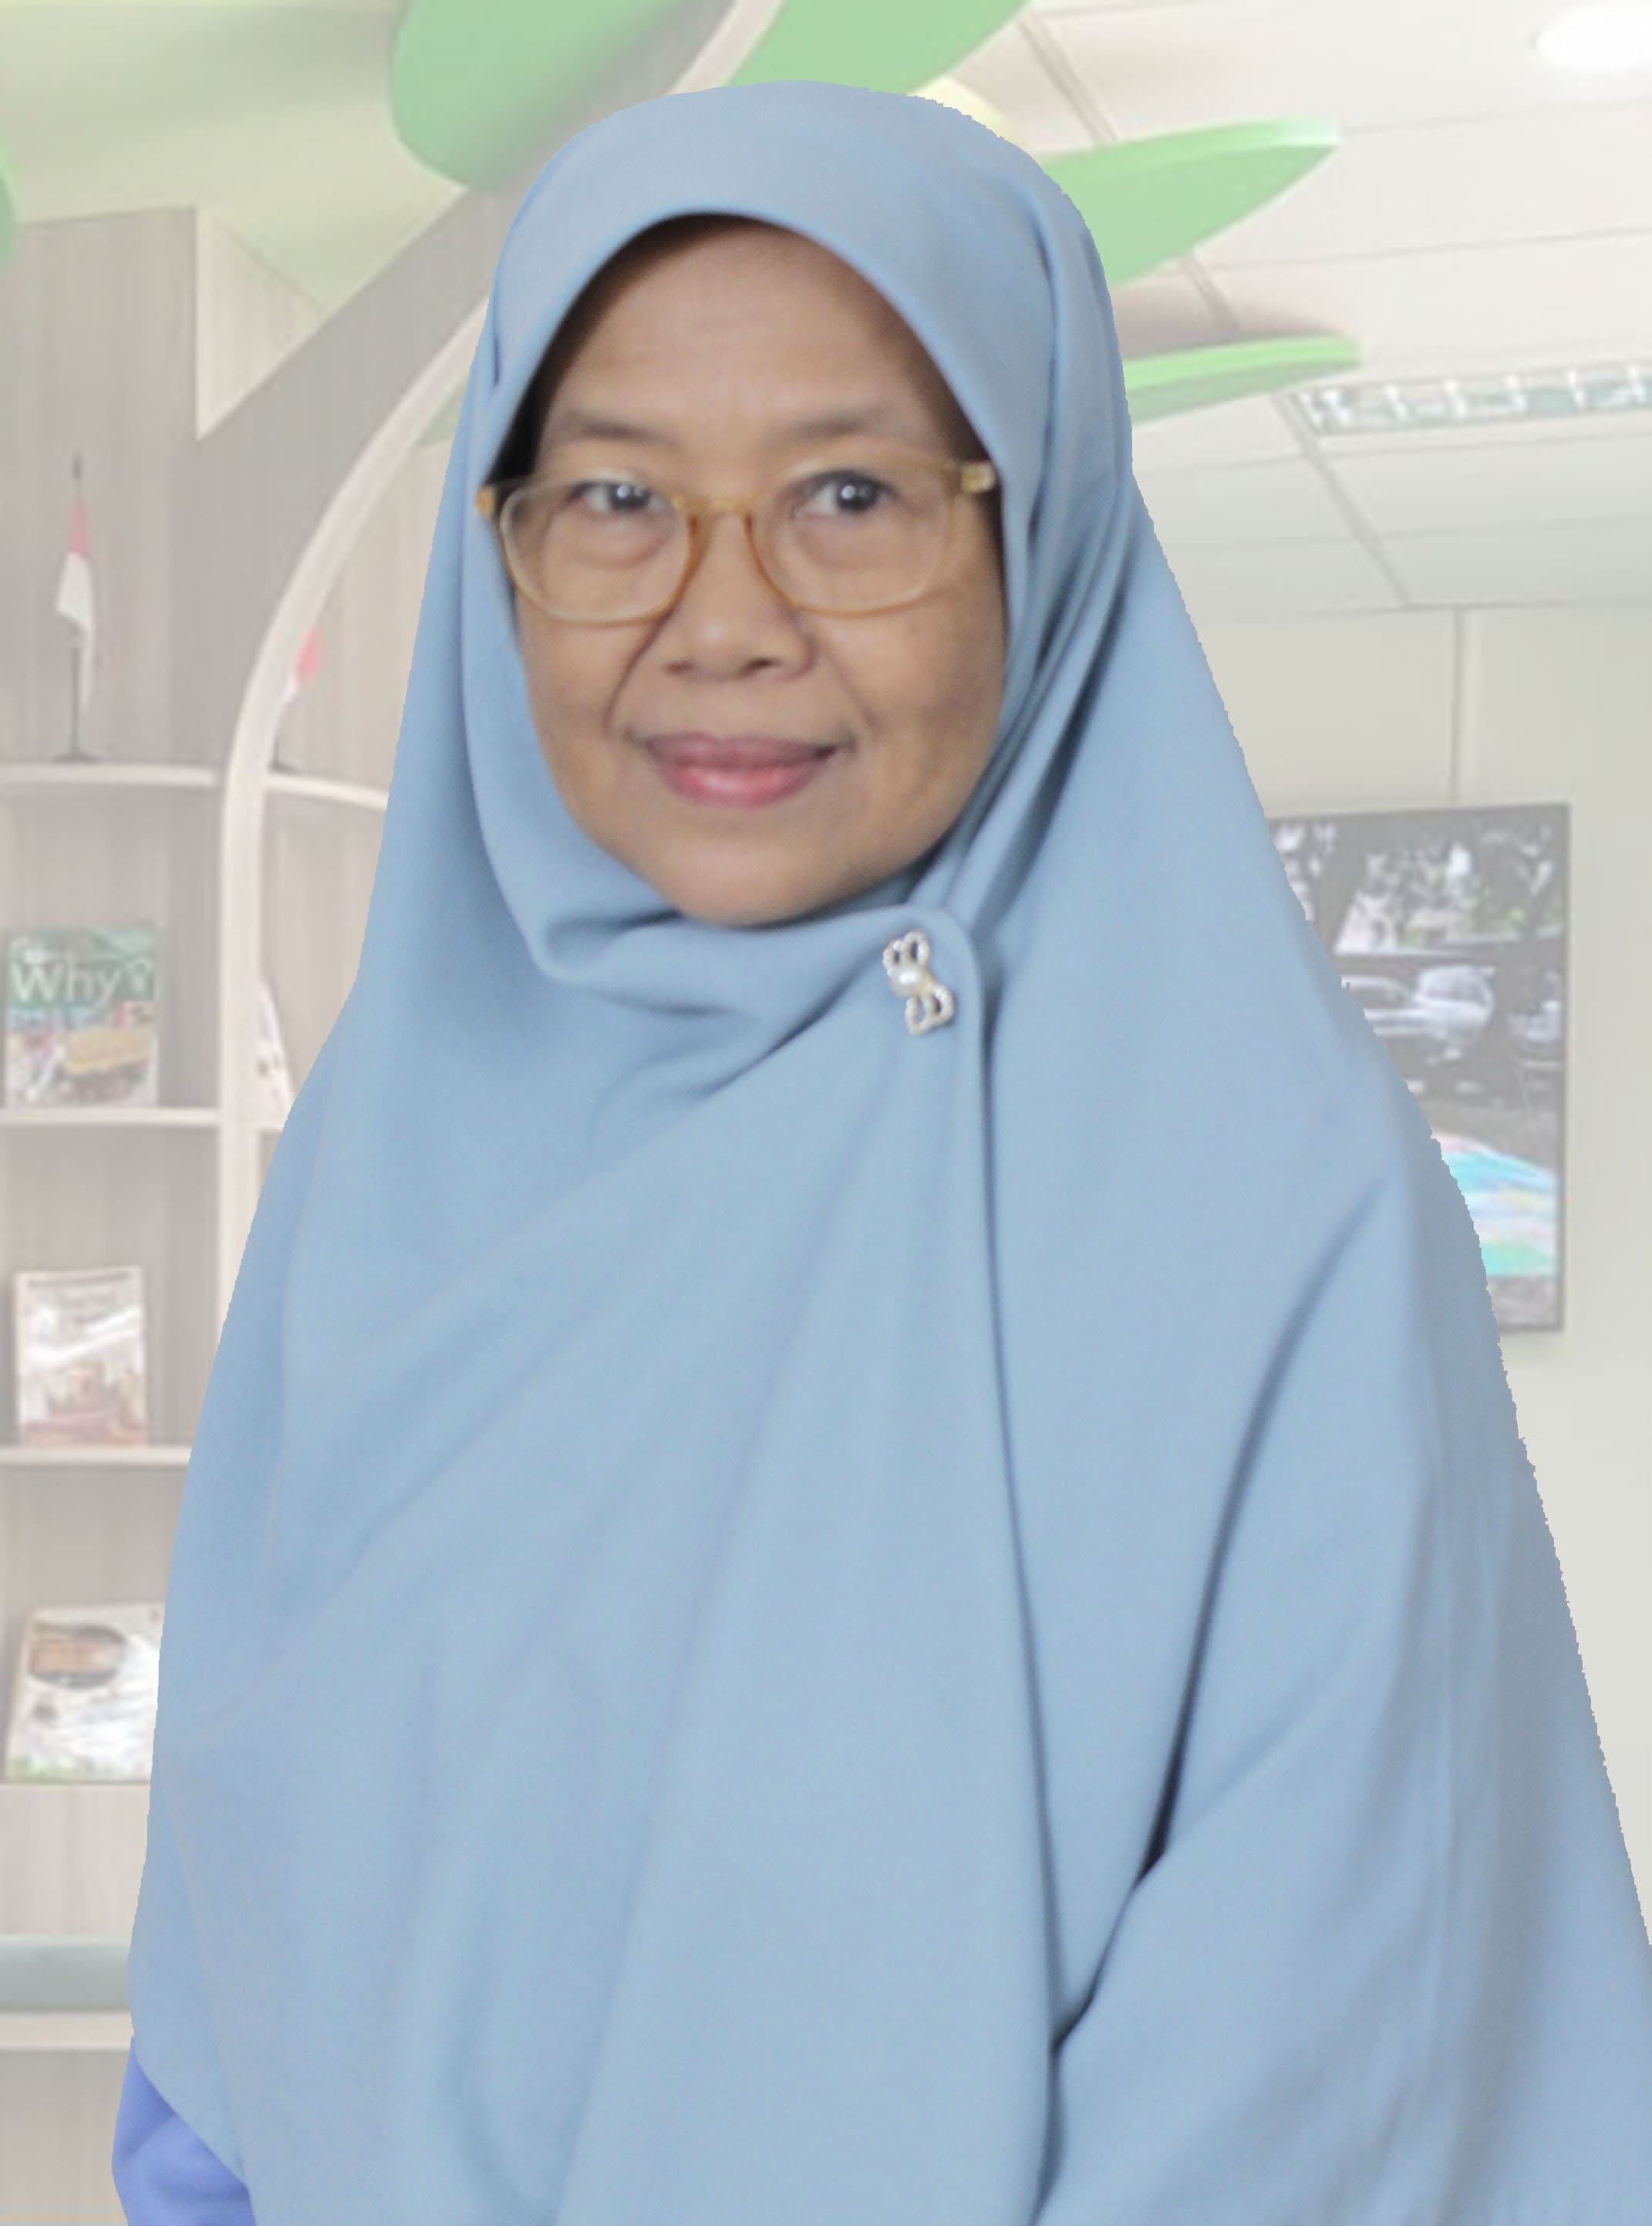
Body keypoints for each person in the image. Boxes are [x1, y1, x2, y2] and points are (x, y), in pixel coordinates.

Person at [113, 76, 1652, 2226]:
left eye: (849, 494)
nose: (724, 616)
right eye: (617, 496)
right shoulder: (390, 1153)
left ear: (1041, 534)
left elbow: (1337, 2045)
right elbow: (233, 1968)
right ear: (501, 547)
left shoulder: (1267, 1212)